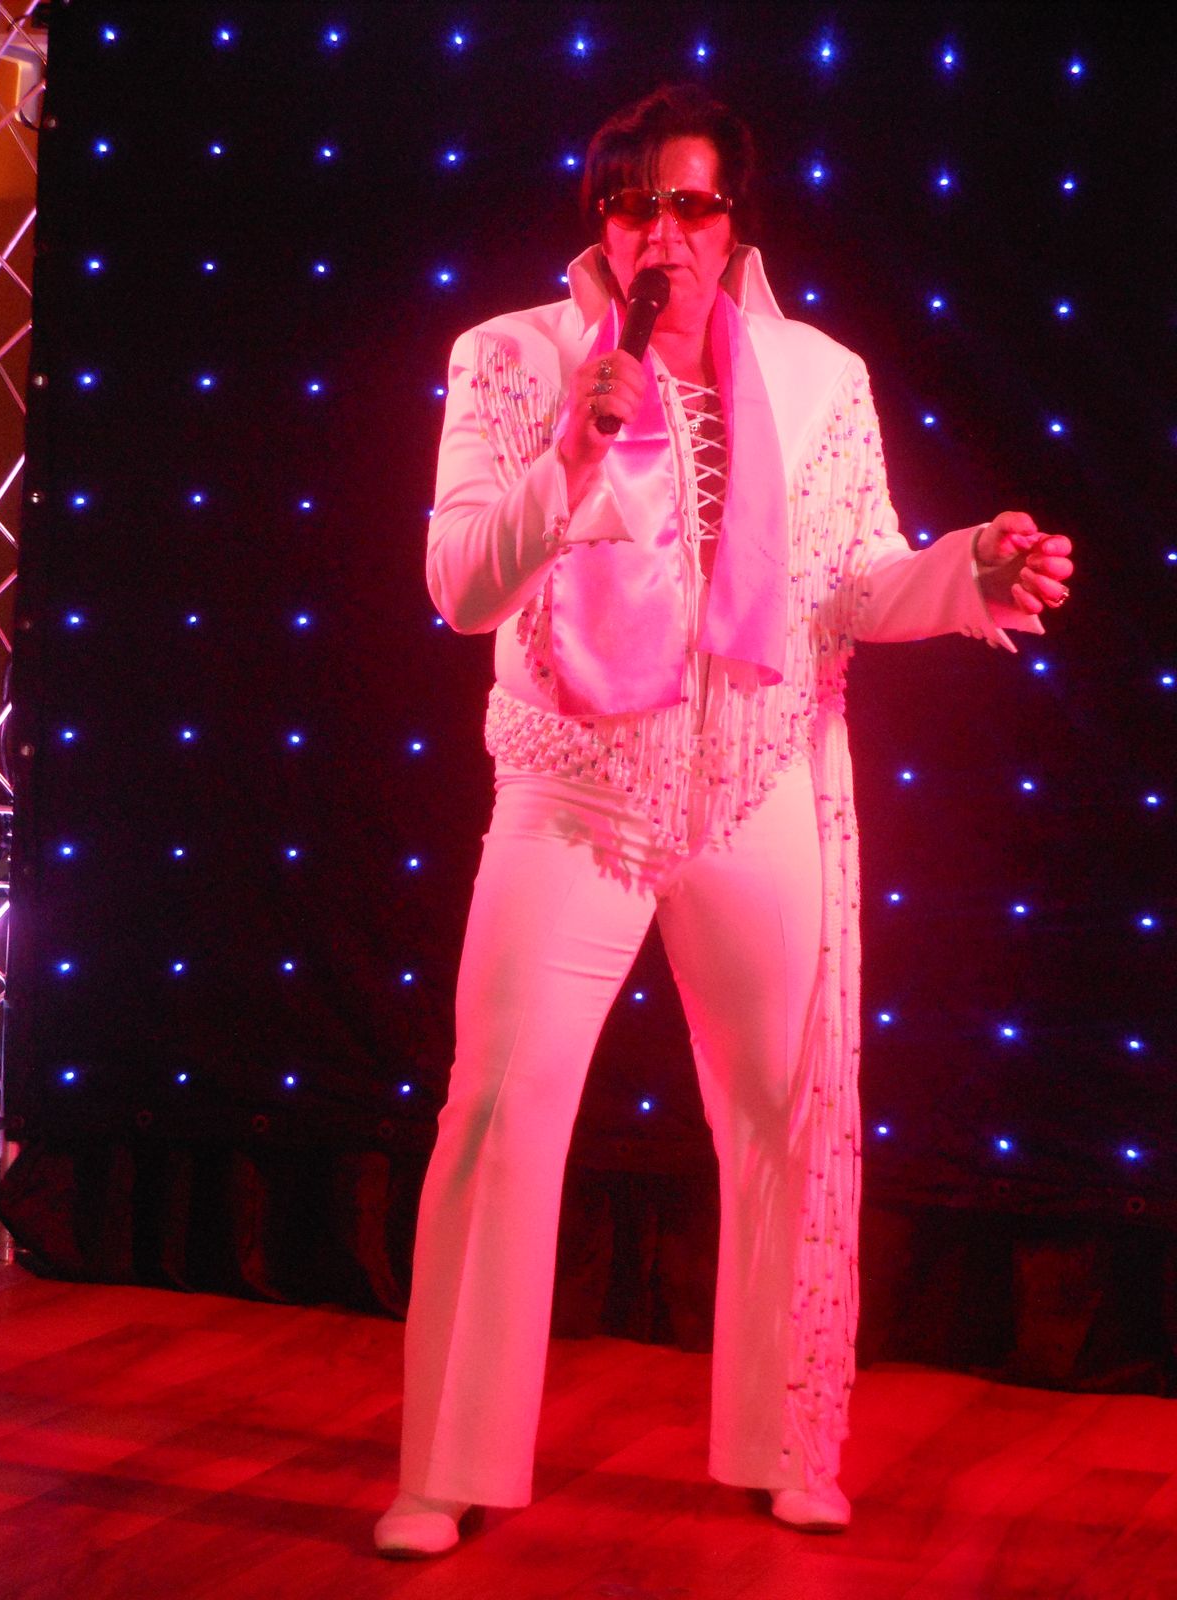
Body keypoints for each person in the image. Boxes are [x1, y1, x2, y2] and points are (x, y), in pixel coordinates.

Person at [374, 84, 1073, 1558]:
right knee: (499, 1108)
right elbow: (459, 587)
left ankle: (785, 1440)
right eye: (636, 205)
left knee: (783, 1111)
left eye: (691, 205)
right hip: (575, 786)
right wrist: (571, 455)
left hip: (757, 775)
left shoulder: (820, 377)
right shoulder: (513, 357)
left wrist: (966, 573)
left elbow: (854, 580)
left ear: (734, 220)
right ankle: (445, 1464)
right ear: (602, 222)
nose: (664, 235)